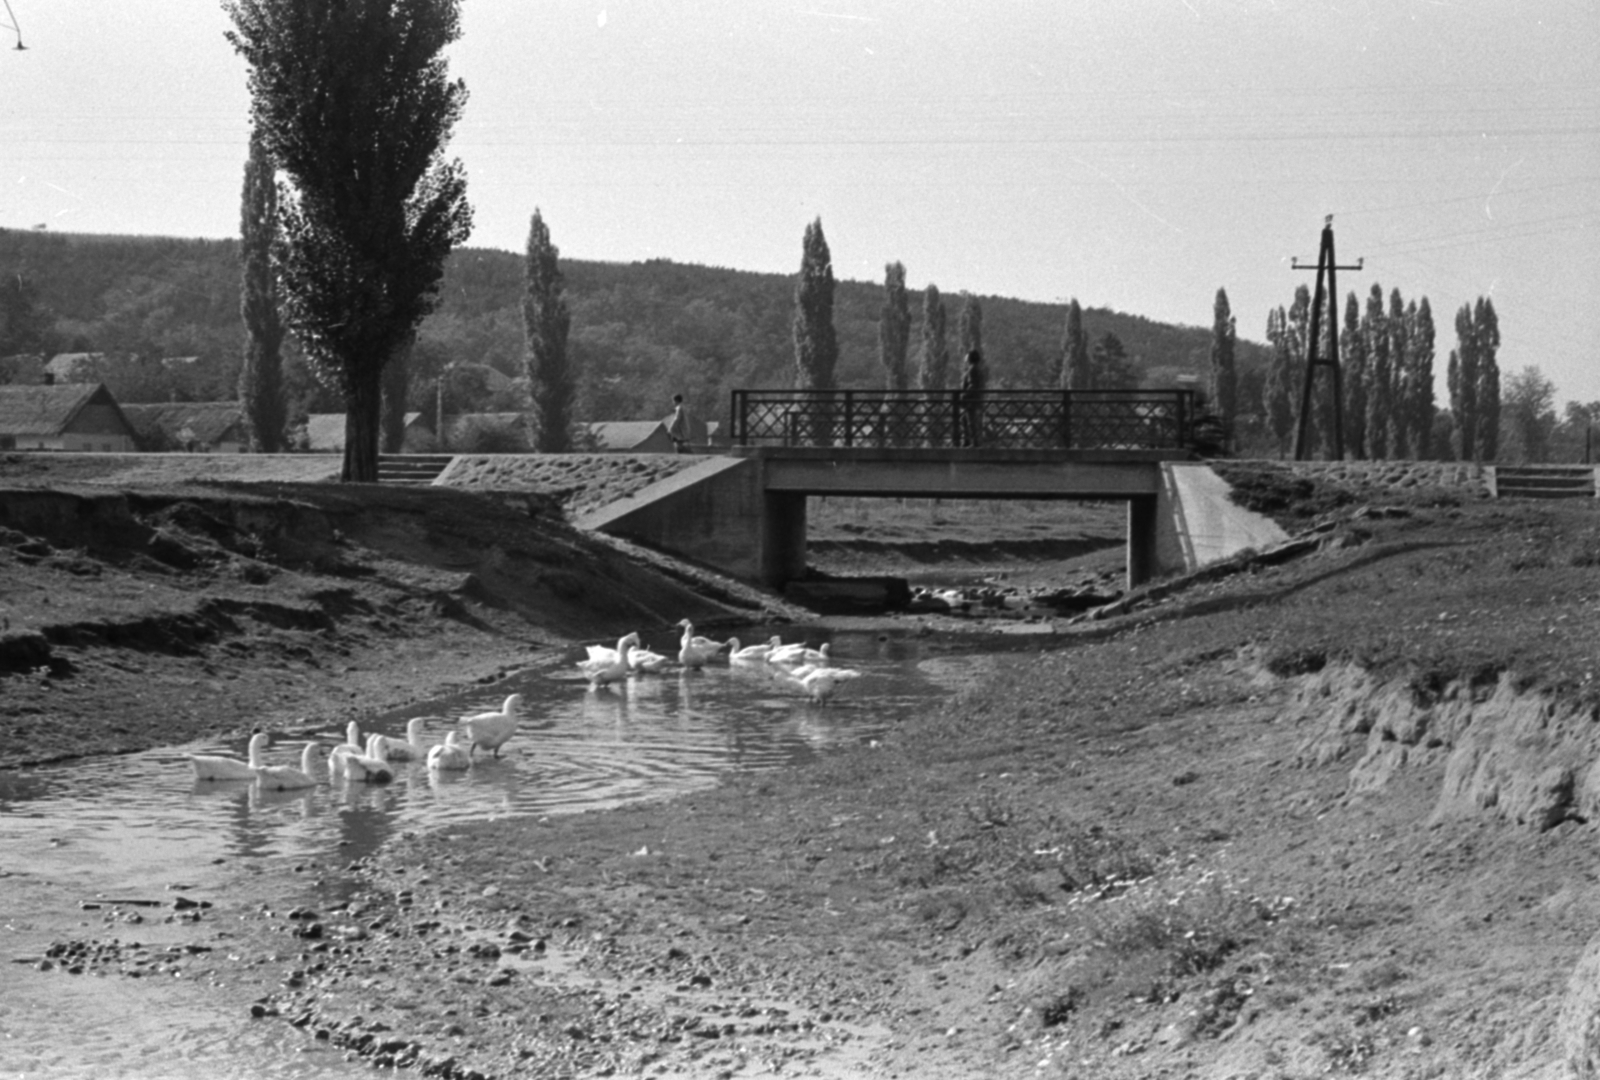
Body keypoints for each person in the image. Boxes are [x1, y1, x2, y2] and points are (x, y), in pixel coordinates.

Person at [958, 349, 986, 447]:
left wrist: (964, 396)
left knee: (970, 421)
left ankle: (973, 443)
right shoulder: (978, 369)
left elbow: (972, 385)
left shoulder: (972, 370)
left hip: (971, 401)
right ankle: (967, 441)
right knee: (965, 420)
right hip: (977, 400)